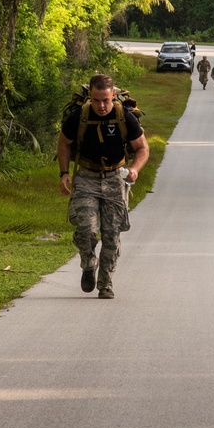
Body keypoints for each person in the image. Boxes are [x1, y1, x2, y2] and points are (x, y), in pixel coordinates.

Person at [57, 74, 149, 299]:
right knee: (86, 230)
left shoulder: (124, 117)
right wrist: (64, 173)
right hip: (87, 177)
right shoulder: (79, 117)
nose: (101, 105)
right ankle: (89, 264)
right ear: (90, 96)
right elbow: (63, 143)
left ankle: (106, 283)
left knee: (111, 234)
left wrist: (135, 169)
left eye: (106, 100)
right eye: (97, 100)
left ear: (113, 96)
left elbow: (142, 148)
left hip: (115, 179)